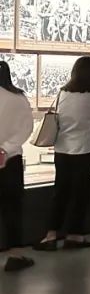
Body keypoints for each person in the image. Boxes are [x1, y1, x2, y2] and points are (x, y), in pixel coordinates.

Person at [35, 56, 90, 251]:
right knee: (81, 193)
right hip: (86, 149)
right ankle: (74, 236)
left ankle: (51, 235)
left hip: (62, 150)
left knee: (60, 192)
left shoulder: (63, 93)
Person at [0, 61, 34, 273]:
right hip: (10, 159)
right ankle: (15, 255)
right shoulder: (18, 98)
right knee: (12, 208)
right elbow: (27, 127)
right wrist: (5, 149)